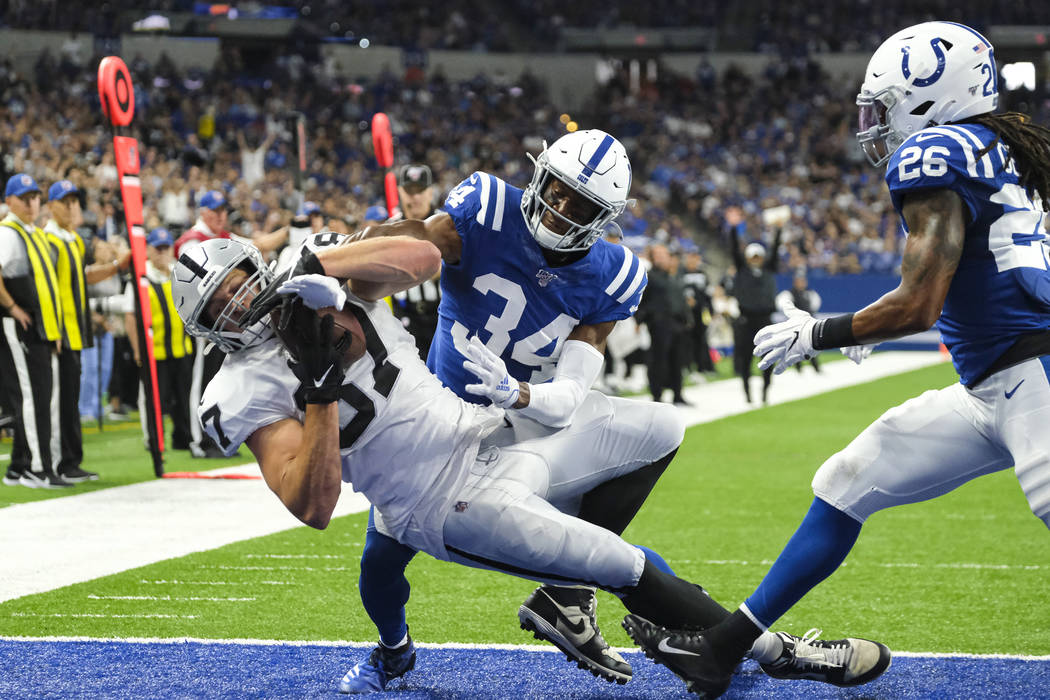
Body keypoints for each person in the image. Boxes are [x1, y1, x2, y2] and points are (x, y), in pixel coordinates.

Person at [173, 233, 889, 697]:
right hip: (438, 500)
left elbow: (424, 259)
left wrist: (317, 266)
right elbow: (313, 504)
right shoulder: (245, 386)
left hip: (484, 432)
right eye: (224, 301)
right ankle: (769, 651)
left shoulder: (323, 280)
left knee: (656, 426)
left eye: (241, 281)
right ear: (208, 322)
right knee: (622, 562)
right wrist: (322, 393)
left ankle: (559, 592)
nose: (243, 301)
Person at [622, 21, 1045, 698]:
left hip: (1035, 379)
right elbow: (957, 278)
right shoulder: (1004, 146)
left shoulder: (936, 153)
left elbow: (921, 303)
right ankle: (723, 650)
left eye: (884, 107)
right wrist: (873, 320)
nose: (874, 126)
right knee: (848, 478)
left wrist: (818, 332)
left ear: (932, 96)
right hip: (993, 383)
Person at [342, 133, 665, 688]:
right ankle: (393, 648)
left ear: (603, 217)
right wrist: (360, 247)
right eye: (558, 191)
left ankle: (682, 623)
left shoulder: (613, 273)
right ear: (538, 176)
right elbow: (418, 241)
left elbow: (573, 389)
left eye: (580, 205)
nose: (561, 209)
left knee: (605, 545)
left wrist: (520, 395)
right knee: (379, 563)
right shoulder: (488, 208)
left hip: (526, 429)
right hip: (436, 420)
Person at [44, 179, 130, 482]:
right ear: (51, 205)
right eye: (65, 202)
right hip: (59, 331)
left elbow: (83, 277)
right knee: (60, 398)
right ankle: (57, 462)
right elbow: (46, 288)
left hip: (76, 329)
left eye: (75, 202)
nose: (71, 207)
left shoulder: (72, 240)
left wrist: (118, 266)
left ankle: (72, 460)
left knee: (71, 396)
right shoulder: (49, 240)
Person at [0, 174, 67, 488]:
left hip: (42, 326)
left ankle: (18, 465)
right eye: (24, 198)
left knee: (40, 396)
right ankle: (38, 468)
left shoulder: (34, 233)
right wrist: (11, 306)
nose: (31, 203)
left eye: (35, 197)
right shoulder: (8, 232)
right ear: (10, 200)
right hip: (21, 326)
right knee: (31, 397)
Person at [124, 228, 196, 453]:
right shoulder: (140, 278)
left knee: (183, 397)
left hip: (181, 348)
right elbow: (130, 316)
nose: (163, 253)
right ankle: (154, 440)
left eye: (166, 248)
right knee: (154, 399)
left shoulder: (179, 274)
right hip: (154, 352)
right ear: (148, 250)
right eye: (158, 249)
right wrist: (138, 350)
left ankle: (183, 437)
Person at [388, 164, 441, 359]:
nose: (415, 197)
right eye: (410, 191)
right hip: (406, 315)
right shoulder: (390, 228)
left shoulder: (448, 224)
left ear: (430, 192)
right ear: (401, 192)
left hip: (444, 313)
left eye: (420, 191)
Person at [729, 230, 782, 404]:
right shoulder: (742, 272)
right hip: (746, 321)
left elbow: (775, 252)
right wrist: (733, 229)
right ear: (747, 258)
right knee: (745, 359)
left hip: (765, 321)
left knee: (768, 359)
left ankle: (765, 392)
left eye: (758, 256)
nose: (755, 259)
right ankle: (747, 394)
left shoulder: (768, 271)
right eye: (752, 257)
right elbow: (734, 250)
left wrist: (778, 230)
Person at [636, 243, 692, 405]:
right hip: (659, 323)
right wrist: (641, 319)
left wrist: (688, 319)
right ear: (652, 258)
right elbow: (641, 301)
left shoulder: (672, 277)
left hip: (677, 323)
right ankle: (657, 395)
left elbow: (681, 300)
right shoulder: (649, 276)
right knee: (658, 361)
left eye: (664, 254)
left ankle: (677, 394)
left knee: (677, 361)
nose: (663, 257)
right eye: (658, 254)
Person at [774, 271, 822, 373]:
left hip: (809, 325)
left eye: (803, 281)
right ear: (795, 282)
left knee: (811, 346)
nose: (802, 283)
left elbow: (814, 306)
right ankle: (798, 369)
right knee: (796, 348)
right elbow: (781, 305)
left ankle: (816, 368)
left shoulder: (810, 293)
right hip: (796, 326)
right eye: (799, 281)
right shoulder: (788, 294)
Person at [680, 251, 715, 375]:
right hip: (685, 312)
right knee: (686, 340)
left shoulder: (702, 274)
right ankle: (687, 367)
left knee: (702, 339)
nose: (693, 262)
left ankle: (703, 367)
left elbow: (708, 295)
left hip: (700, 311)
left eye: (695, 259)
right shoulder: (681, 272)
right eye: (690, 258)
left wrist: (712, 311)